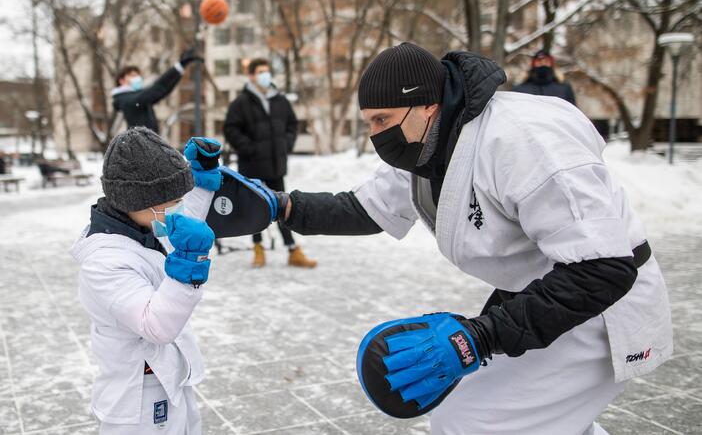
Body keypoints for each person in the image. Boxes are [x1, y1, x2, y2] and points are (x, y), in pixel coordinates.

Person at [238, 42, 671, 434]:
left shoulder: (521, 139)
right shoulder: (431, 146)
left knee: (471, 423)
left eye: (383, 120)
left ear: (426, 106)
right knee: (508, 417)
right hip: (540, 300)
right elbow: (365, 207)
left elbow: (604, 267)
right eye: (369, 122)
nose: (375, 135)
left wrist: (480, 336)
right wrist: (280, 206)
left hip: (599, 310)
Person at [71, 127, 215, 434]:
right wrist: (189, 266)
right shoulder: (104, 261)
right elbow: (156, 326)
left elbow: (182, 220)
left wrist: (201, 184)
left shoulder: (144, 225)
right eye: (174, 199)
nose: (180, 207)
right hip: (140, 395)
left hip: (167, 377)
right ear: (137, 201)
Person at [223, 57, 316, 269]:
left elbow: (292, 124)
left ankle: (293, 250)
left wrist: (286, 145)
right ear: (251, 76)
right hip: (252, 165)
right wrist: (250, 149)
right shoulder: (241, 103)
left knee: (283, 206)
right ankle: (258, 249)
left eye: (267, 71)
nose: (265, 76)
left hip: (275, 165)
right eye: (260, 72)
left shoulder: (280, 100)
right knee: (255, 208)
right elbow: (231, 129)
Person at [112, 47, 202, 134]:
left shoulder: (135, 96)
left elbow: (163, 90)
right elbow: (156, 89)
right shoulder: (123, 98)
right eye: (133, 75)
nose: (137, 78)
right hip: (138, 145)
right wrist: (178, 66)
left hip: (148, 143)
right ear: (122, 80)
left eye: (138, 75)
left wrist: (181, 68)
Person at [512, 49, 577, 106]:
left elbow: (572, 114)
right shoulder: (520, 90)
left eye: (546, 61)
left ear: (551, 64)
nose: (543, 64)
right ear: (533, 65)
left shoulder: (564, 89)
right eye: (539, 61)